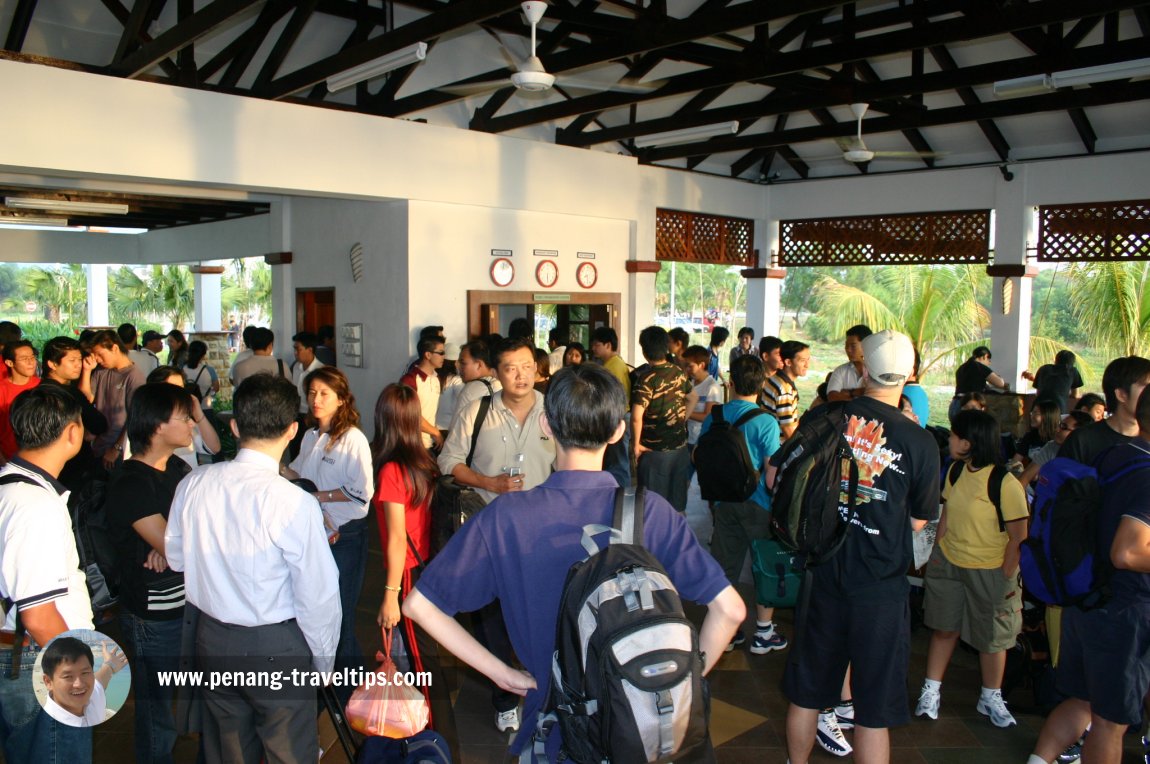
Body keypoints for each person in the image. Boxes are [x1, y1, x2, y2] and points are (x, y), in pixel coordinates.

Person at [403, 363, 745, 761]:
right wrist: (673, 682)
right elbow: (731, 610)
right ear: (618, 430)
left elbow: (419, 606)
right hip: (641, 734)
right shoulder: (652, 512)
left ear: (546, 425)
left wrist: (503, 674)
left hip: (557, 731)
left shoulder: (507, 518)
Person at [777, 330, 940, 764]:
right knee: (873, 710)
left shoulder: (826, 418)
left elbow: (776, 477)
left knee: (808, 692)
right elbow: (920, 520)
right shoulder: (920, 441)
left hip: (823, 571)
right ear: (910, 375)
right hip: (881, 587)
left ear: (863, 369)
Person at [164, 374, 341, 763]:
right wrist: (324, 661)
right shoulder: (293, 501)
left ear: (233, 426)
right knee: (288, 753)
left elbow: (175, 558)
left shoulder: (195, 482)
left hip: (211, 638)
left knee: (228, 752)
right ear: (293, 430)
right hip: (275, 645)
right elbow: (318, 593)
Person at [438, 336, 556, 731]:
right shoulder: (477, 410)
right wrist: (488, 482)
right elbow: (448, 460)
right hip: (488, 528)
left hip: (542, 532)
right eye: (510, 368)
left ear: (537, 369)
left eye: (526, 366)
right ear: (497, 372)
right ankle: (505, 697)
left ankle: (546, 690)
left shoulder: (554, 411)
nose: (520, 375)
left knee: (541, 611)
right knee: (491, 615)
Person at [1028, 385, 1150, 764]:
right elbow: (1128, 552)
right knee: (1110, 722)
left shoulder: (1113, 455)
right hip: (1124, 610)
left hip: (1085, 597)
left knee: (1082, 700)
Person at [914, 409, 1028, 728]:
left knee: (992, 639)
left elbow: (1019, 536)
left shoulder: (1005, 483)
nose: (949, 439)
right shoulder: (955, 471)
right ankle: (931, 690)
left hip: (991, 570)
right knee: (943, 628)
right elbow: (947, 513)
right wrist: (937, 552)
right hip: (950, 564)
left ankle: (991, 696)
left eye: (953, 435)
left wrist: (1005, 575)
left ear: (968, 442)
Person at [0, 384, 94, 763]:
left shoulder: (11, 487)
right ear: (73, 433)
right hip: (43, 659)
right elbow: (39, 615)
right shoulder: (34, 505)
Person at [105, 384, 196, 759]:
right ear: (158, 426)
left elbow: (190, 535)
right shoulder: (131, 482)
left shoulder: (179, 467)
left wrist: (171, 547)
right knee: (156, 708)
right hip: (153, 614)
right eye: (184, 417)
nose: (192, 423)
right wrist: (174, 547)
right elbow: (180, 545)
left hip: (188, 603)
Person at [370, 383, 459, 761]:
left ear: (384, 420)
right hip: (426, 567)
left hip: (406, 574)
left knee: (424, 668)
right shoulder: (423, 460)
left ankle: (440, 747)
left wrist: (390, 594)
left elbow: (394, 539)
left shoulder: (392, 469)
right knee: (424, 662)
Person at [283, 367, 372, 700]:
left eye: (324, 393)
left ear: (340, 398)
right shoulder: (309, 436)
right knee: (320, 616)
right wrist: (275, 462)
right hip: (316, 534)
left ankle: (352, 698)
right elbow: (301, 477)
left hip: (345, 537)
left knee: (342, 619)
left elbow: (361, 494)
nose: (316, 400)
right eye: (311, 393)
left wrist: (317, 498)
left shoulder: (352, 439)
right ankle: (339, 693)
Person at [698, 354, 785, 653]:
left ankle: (728, 631)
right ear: (760, 385)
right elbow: (772, 475)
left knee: (726, 566)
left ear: (730, 382)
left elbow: (701, 456)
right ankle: (763, 632)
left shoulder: (715, 415)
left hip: (723, 503)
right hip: (758, 503)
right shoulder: (766, 422)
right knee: (763, 567)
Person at [631, 326, 697, 513]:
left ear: (644, 352)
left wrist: (636, 446)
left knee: (652, 505)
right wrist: (682, 419)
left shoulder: (646, 379)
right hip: (679, 448)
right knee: (677, 503)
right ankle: (677, 537)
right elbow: (693, 397)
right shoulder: (678, 372)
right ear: (666, 347)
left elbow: (636, 417)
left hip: (654, 451)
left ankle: (656, 540)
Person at [39, 337, 107, 490]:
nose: (78, 364)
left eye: (79, 359)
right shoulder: (67, 394)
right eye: (72, 360)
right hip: (73, 466)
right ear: (52, 364)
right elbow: (99, 424)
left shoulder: (39, 391)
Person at [85, 329, 147, 470]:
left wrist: (117, 447)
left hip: (117, 451)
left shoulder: (134, 376)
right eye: (95, 356)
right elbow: (86, 399)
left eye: (100, 355)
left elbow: (134, 417)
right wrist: (87, 370)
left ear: (115, 348)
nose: (98, 360)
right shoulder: (100, 371)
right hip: (98, 445)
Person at [39, 636, 127, 728]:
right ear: (48, 682)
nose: (79, 684)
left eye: (85, 673)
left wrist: (110, 665)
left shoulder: (92, 696)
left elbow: (101, 678)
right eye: (68, 676)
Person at [147, 365, 222, 467]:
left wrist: (198, 412)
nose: (179, 394)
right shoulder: (144, 423)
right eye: (173, 388)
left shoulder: (186, 421)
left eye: (181, 388)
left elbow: (214, 448)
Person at [1018, 410, 1093, 487]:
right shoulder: (1052, 447)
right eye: (1060, 425)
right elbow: (1024, 478)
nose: (1057, 429)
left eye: (1063, 427)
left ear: (1079, 434)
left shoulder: (1090, 458)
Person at [400, 335, 446, 450]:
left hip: (429, 443)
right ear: (428, 355)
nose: (444, 356)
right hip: (412, 445)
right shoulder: (410, 380)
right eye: (440, 353)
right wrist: (435, 432)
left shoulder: (436, 378)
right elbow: (409, 414)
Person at [0, 340, 41, 459]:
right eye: (24, 359)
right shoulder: (2, 390)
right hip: (10, 458)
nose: (31, 362)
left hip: (41, 456)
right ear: (9, 363)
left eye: (32, 357)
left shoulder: (43, 386)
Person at [762, 340, 810, 440]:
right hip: (778, 447)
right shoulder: (784, 390)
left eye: (808, 360)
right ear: (788, 362)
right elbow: (788, 429)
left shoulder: (774, 378)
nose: (807, 365)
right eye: (802, 361)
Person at [683, 345, 723, 452]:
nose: (687, 369)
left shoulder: (712, 387)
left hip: (701, 441)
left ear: (701, 365)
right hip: (687, 438)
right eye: (685, 366)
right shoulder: (689, 384)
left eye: (690, 366)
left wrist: (683, 413)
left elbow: (708, 417)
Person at [951, 346, 1008, 420]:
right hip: (969, 406)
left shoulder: (961, 368)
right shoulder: (979, 366)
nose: (989, 363)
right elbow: (1000, 383)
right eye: (989, 360)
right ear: (985, 356)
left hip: (955, 404)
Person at [1023, 350, 1083, 414]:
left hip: (1038, 406)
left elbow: (1038, 393)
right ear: (1072, 362)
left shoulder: (1044, 368)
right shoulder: (1072, 371)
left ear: (1056, 359)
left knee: (1036, 423)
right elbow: (1075, 395)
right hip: (1058, 408)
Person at [826, 325, 872, 402]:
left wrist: (846, 393)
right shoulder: (840, 371)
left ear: (866, 345)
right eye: (846, 345)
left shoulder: (877, 372)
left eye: (853, 346)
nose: (848, 350)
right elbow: (832, 397)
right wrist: (856, 393)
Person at [182, 340, 220, 405]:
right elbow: (216, 388)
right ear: (203, 355)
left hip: (187, 406)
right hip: (205, 405)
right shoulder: (209, 370)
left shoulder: (181, 369)